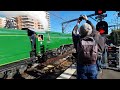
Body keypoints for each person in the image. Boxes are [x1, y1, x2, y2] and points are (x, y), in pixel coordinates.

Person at [72, 15, 106, 79]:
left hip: (81, 66)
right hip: (92, 66)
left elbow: (74, 32)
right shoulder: (95, 38)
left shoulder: (77, 39)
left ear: (80, 31)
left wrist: (78, 23)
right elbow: (95, 30)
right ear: (90, 31)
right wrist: (87, 20)